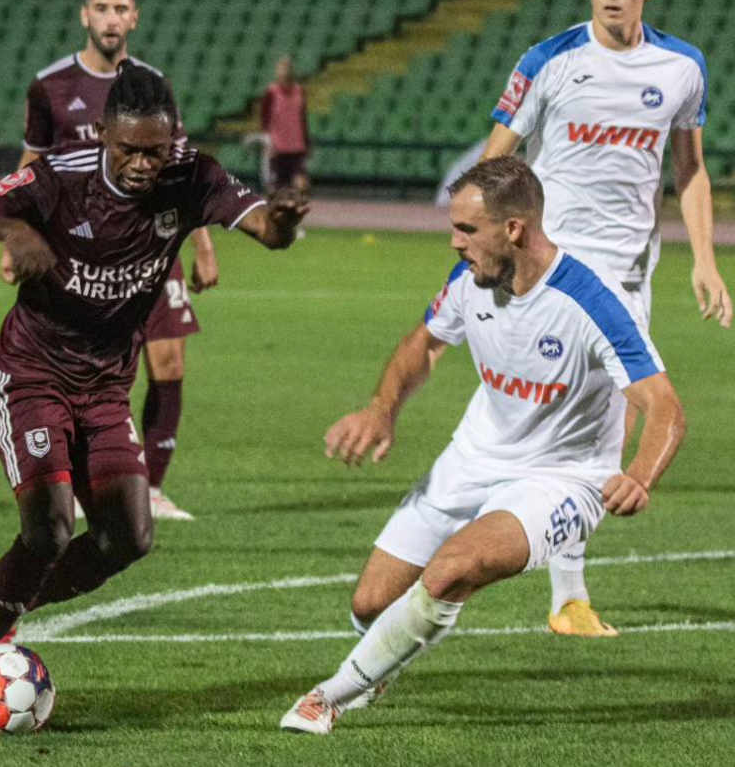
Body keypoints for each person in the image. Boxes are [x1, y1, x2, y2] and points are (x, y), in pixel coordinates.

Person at [0, 63, 309, 707]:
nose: (142, 165)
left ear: (173, 140)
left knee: (129, 538)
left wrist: (283, 220)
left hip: (106, 388)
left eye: (155, 151)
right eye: (129, 149)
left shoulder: (193, 175)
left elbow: (268, 231)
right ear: (104, 134)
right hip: (32, 374)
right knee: (50, 529)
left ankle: (5, 598)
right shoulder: (61, 176)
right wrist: (12, 228)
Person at [280, 156, 685, 735]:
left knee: (453, 569)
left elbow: (665, 406)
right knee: (371, 606)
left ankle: (327, 698)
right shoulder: (470, 281)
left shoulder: (593, 301)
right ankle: (378, 663)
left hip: (562, 477)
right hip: (471, 456)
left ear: (513, 228)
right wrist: (382, 408)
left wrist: (639, 476)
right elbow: (424, 342)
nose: (454, 242)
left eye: (467, 229)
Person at [484, 0, 728, 637]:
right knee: (584, 427)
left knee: (603, 428)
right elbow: (498, 156)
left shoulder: (682, 67)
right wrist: (486, 240)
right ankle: (560, 589)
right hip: (552, 268)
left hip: (628, 274)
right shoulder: (549, 60)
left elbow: (690, 170)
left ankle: (558, 586)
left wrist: (705, 259)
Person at [16, 0, 215, 522]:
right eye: (101, 7)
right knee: (81, 370)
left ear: (134, 17)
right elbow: (31, 164)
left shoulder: (153, 85)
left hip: (151, 245)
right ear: (85, 15)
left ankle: (152, 487)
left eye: (120, 8)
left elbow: (182, 166)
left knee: (169, 361)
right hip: (79, 254)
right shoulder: (50, 86)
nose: (110, 18)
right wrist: (15, 233)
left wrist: (203, 244)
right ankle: (84, 483)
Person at [259, 55, 312, 191]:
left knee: (301, 186)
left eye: (288, 68)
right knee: (275, 189)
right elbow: (265, 119)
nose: (285, 71)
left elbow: (303, 118)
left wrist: (307, 142)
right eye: (282, 68)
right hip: (278, 147)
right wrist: (267, 142)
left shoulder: (299, 91)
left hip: (296, 146)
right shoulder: (271, 92)